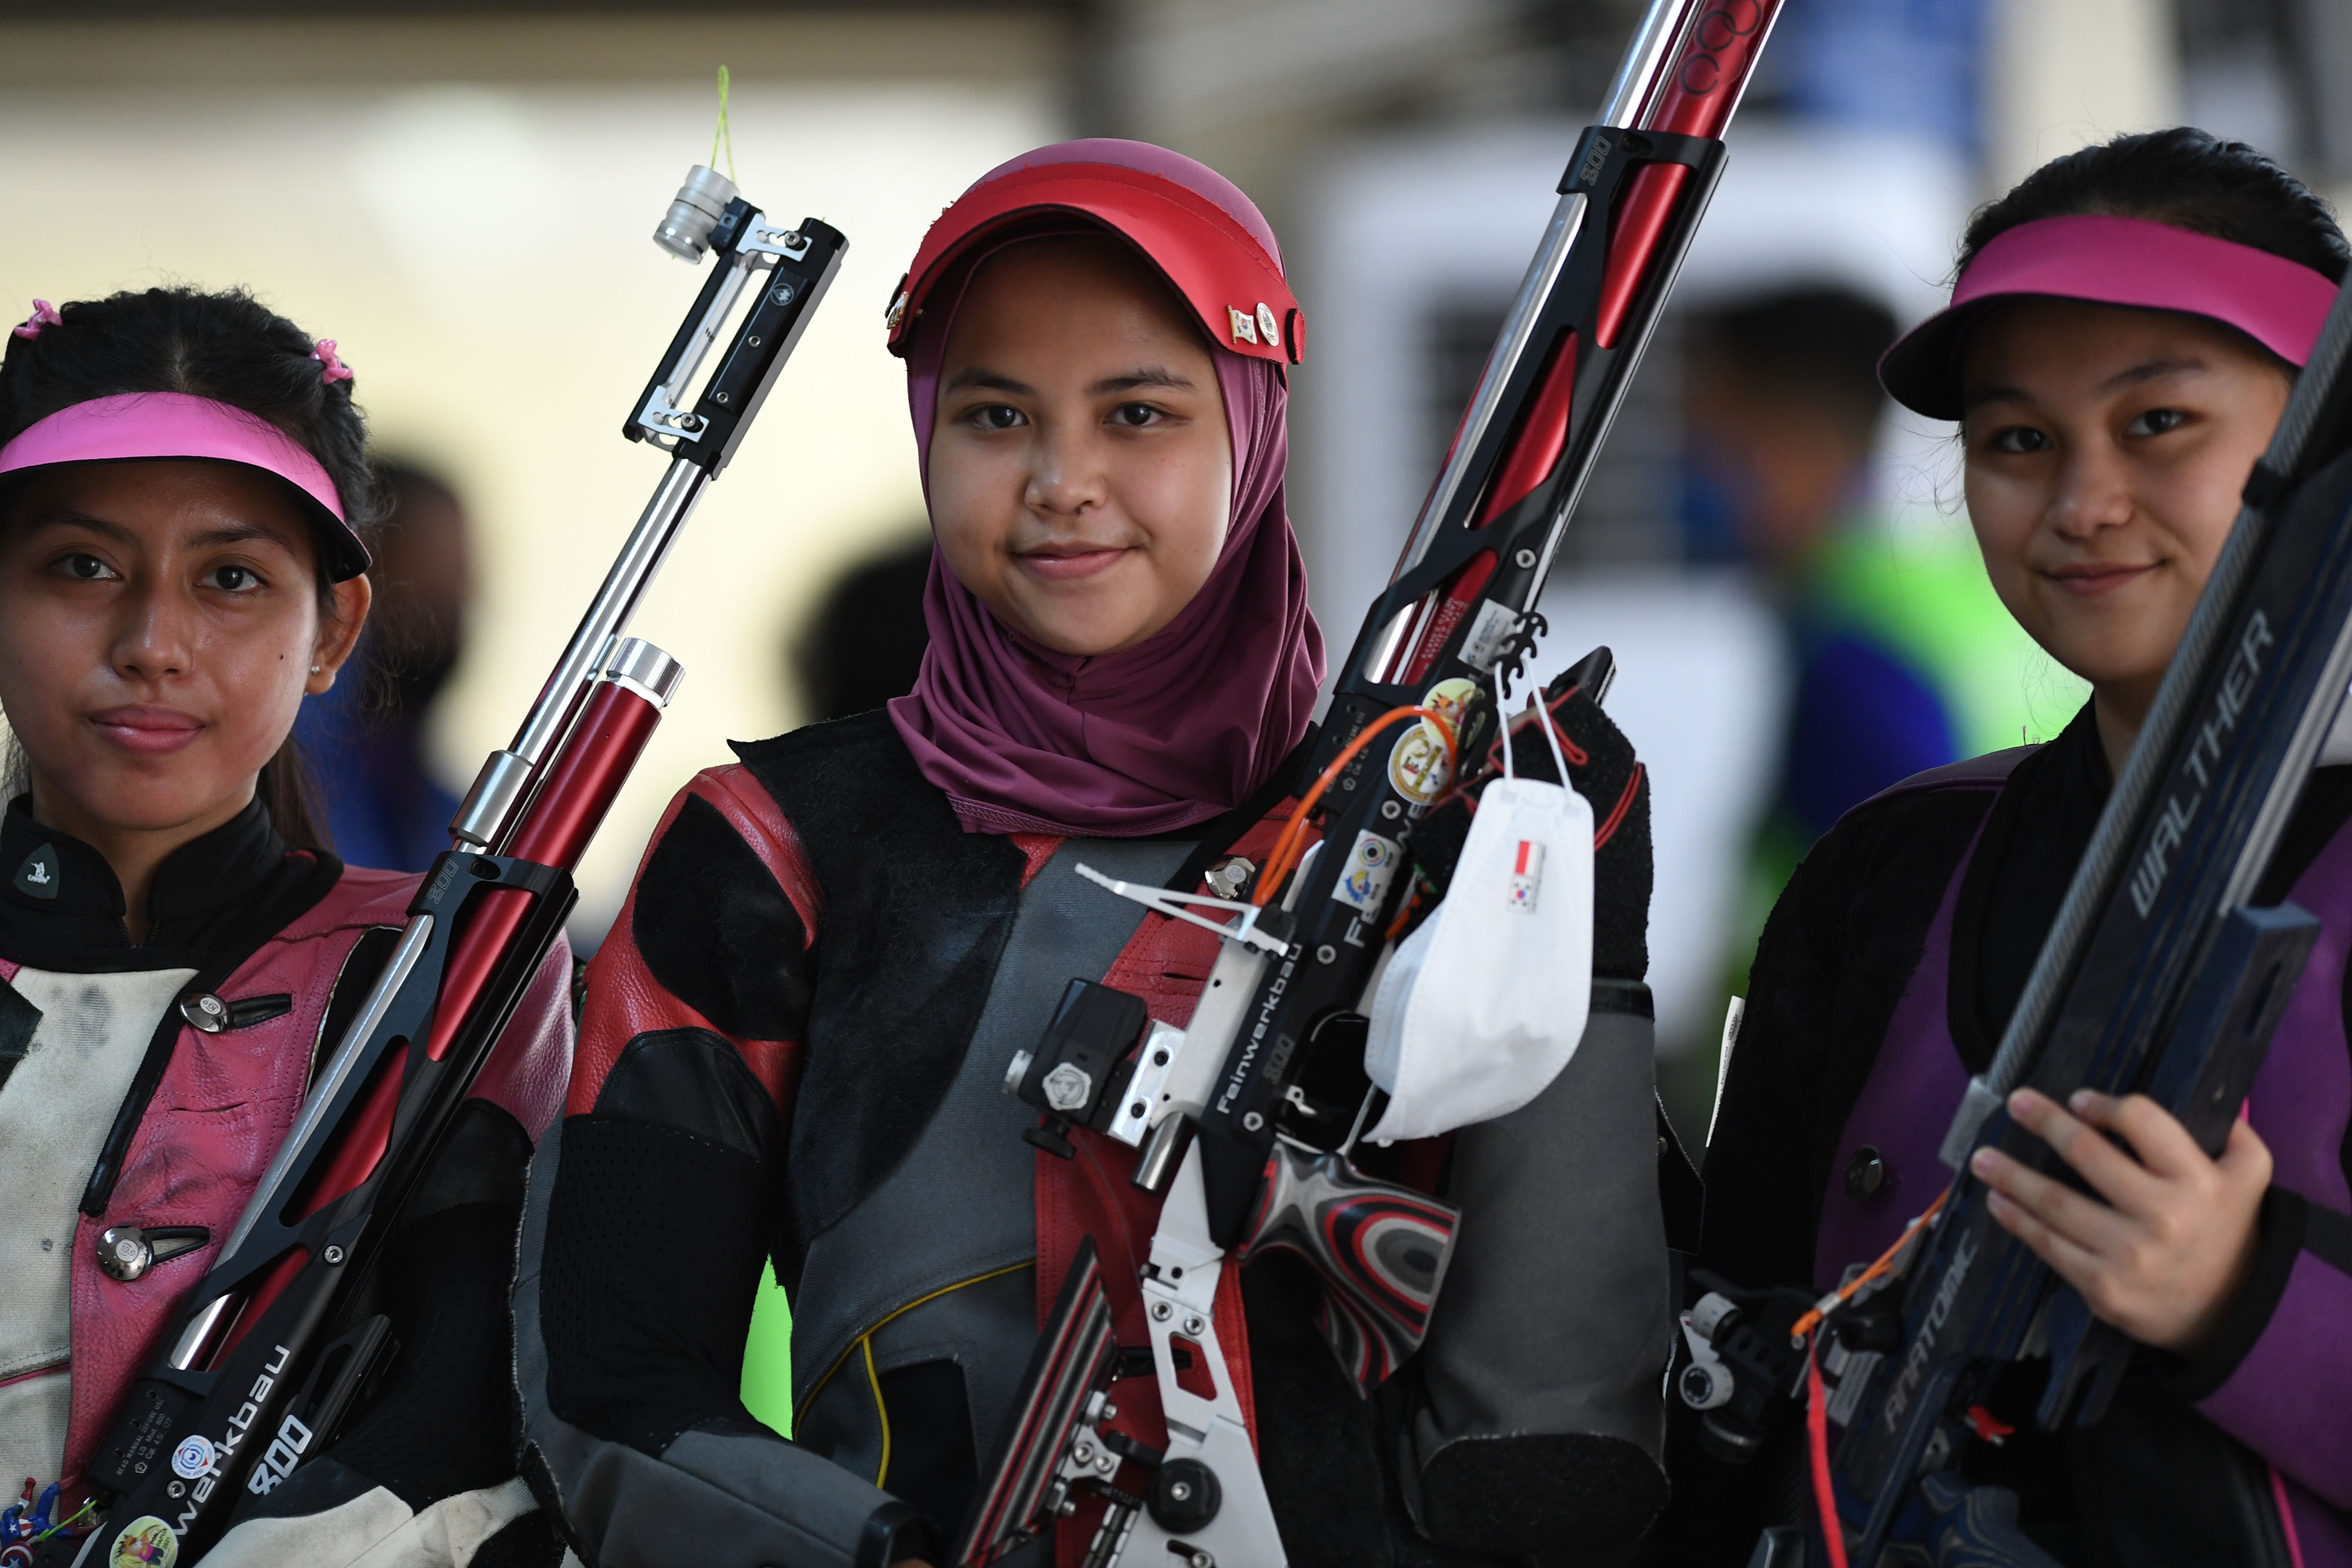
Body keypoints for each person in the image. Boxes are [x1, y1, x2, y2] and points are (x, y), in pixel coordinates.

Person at [517, 139, 1673, 1568]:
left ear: (1253, 433)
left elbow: (1555, 1448)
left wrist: (1578, 891)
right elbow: (609, 1387)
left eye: (1138, 413)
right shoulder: (768, 854)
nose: (1064, 481)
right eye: (997, 416)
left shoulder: (1440, 824)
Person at [1656, 128, 2352, 1565]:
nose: (2081, 503)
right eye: (2017, 441)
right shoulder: (1887, 878)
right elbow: (1730, 1379)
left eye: (2157, 421)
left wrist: (2243, 1298)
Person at [0, 287, 572, 1567]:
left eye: (232, 578)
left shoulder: (440, 974)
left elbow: (470, 1407)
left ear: (334, 631)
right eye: (81, 565)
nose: (153, 642)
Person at [300, 460, 474, 872]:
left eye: (459, 582)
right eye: (427, 580)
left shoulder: (439, 804)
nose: (451, 613)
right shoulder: (285, 767)